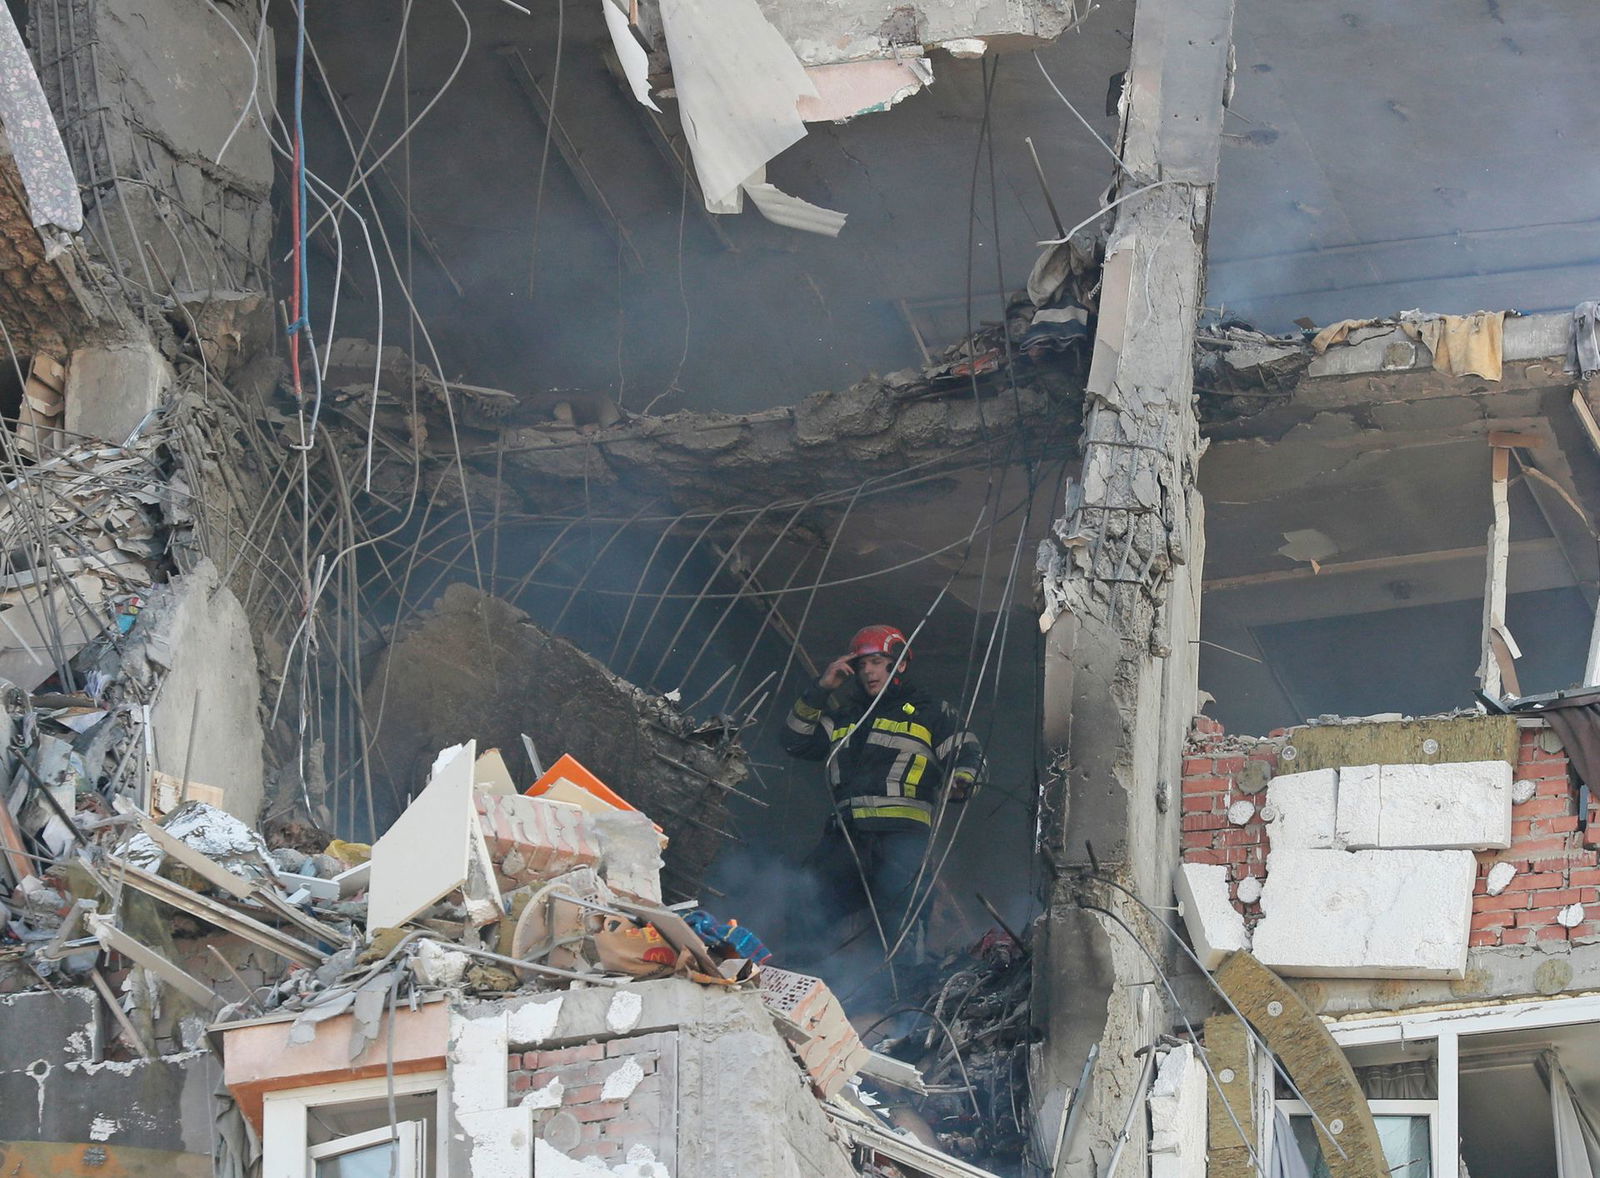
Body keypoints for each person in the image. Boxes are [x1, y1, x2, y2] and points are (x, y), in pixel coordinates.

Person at [781, 623, 986, 957]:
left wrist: (962, 780)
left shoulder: (931, 713)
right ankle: (803, 990)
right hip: (845, 838)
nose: (868, 672)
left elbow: (970, 755)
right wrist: (820, 690)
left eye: (876, 662)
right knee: (806, 906)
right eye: (862, 665)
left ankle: (902, 1001)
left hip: (901, 839)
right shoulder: (845, 717)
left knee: (901, 925)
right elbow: (794, 740)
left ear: (900, 664)